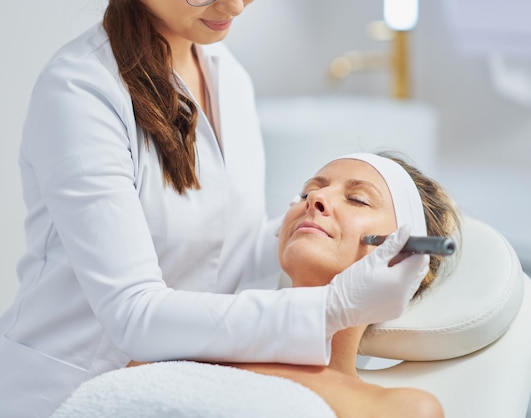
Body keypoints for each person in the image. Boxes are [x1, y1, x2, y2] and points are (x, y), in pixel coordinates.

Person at [0, 2, 433, 417]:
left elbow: (228, 242)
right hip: (65, 391)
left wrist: (307, 229)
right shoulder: (82, 89)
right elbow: (134, 313)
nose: (234, 7)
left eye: (356, 199)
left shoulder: (231, 79)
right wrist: (332, 306)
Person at [222, 152, 461, 417]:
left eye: (358, 200)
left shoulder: (400, 410)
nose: (315, 199)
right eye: (306, 193)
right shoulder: (195, 340)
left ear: (402, 256)